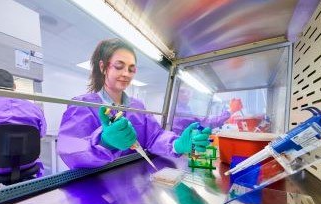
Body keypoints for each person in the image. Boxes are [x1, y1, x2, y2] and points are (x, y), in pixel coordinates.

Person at [57, 38, 211, 169]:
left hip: (130, 180)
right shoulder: (82, 105)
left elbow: (154, 136)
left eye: (131, 69)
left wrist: (177, 144)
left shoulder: (137, 106)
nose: (126, 74)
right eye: (119, 66)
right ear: (103, 67)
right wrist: (104, 143)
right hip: (95, 184)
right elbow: (69, 151)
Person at [172, 85, 243, 135]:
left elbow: (197, 124)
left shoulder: (186, 108)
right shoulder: (178, 110)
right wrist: (230, 111)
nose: (186, 95)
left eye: (189, 92)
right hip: (180, 146)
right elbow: (204, 122)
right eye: (182, 91)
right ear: (175, 92)